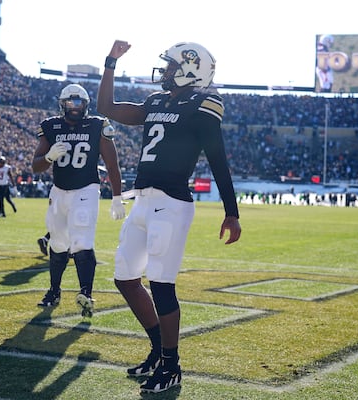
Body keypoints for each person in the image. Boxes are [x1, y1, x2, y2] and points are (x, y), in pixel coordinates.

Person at [97, 40, 241, 393]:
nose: (164, 72)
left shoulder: (205, 102)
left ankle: (172, 364)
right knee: (125, 278)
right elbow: (106, 107)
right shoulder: (157, 101)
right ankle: (158, 350)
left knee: (162, 286)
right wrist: (110, 63)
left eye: (171, 66)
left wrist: (231, 212)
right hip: (143, 200)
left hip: (171, 203)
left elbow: (218, 158)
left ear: (191, 69)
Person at [31, 83, 125, 317]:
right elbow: (36, 166)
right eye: (71, 103)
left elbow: (112, 164)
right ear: (63, 104)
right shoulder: (50, 126)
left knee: (82, 241)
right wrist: (50, 156)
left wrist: (116, 197)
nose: (75, 107)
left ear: (86, 105)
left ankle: (86, 292)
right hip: (59, 191)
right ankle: (54, 290)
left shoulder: (97, 125)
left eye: (79, 103)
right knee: (58, 244)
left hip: (86, 189)